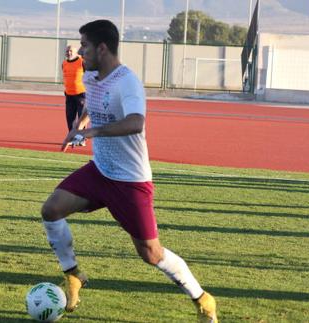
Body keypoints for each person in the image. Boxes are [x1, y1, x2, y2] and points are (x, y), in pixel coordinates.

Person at [41, 20, 218, 322]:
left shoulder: (128, 82)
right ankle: (73, 276)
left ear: (102, 48)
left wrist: (93, 132)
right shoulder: (93, 75)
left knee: (151, 254)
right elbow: (94, 103)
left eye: (84, 45)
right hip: (100, 171)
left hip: (130, 181)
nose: (80, 50)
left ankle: (203, 300)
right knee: (51, 210)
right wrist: (81, 123)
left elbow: (136, 122)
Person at [62, 45, 87, 147]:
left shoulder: (82, 62)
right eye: (67, 51)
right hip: (69, 95)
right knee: (70, 118)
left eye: (71, 51)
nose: (69, 53)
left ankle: (81, 139)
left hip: (81, 94)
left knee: (81, 118)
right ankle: (72, 137)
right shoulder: (64, 63)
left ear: (76, 53)